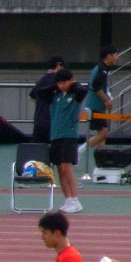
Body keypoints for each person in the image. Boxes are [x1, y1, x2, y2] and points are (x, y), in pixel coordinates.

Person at [35, 67, 87, 213]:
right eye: (59, 83)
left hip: (69, 135)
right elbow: (39, 92)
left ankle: (76, 200)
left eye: (65, 82)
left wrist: (72, 84)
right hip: (55, 135)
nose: (62, 85)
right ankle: (68, 199)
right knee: (59, 169)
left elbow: (83, 91)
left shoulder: (75, 94)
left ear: (71, 81)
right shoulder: (55, 95)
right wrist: (56, 85)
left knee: (66, 168)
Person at [80, 45, 119, 161]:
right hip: (95, 106)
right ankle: (78, 152)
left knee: (102, 134)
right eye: (116, 55)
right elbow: (96, 86)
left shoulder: (101, 68)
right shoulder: (102, 70)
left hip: (97, 106)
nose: (117, 57)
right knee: (103, 133)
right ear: (109, 56)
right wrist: (106, 99)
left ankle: (101, 160)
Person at [29, 55, 65, 144]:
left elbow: (31, 97)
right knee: (56, 150)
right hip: (53, 122)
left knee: (36, 150)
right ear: (58, 66)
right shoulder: (60, 81)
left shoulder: (41, 81)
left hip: (39, 121)